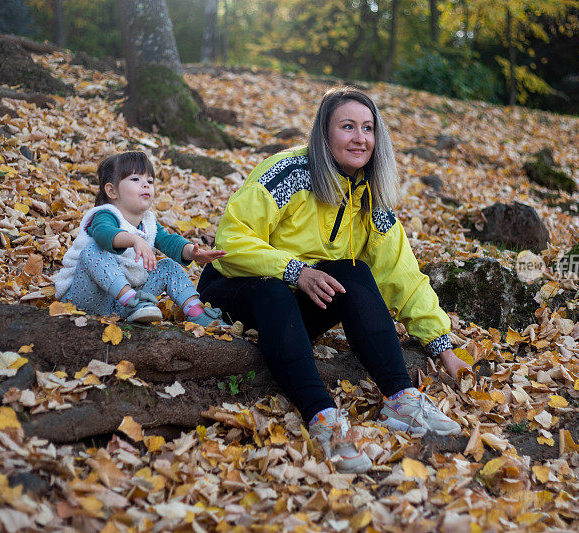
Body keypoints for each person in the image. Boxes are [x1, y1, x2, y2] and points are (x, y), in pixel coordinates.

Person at [197, 88, 473, 473]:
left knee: (354, 270)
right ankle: (323, 419)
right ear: (324, 134)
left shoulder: (369, 196)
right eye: (347, 127)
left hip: (295, 308)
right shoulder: (288, 173)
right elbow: (231, 240)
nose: (360, 138)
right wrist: (296, 270)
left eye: (367, 128)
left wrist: (444, 349)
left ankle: (401, 398)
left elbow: (402, 274)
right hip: (235, 290)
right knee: (274, 289)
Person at [55, 151, 225, 326]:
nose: (145, 185)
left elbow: (169, 241)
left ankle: (197, 313)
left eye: (149, 181)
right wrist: (135, 240)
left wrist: (193, 253)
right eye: (135, 179)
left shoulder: (148, 222)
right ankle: (133, 301)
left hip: (121, 304)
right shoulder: (104, 215)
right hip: (85, 296)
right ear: (112, 191)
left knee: (168, 266)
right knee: (94, 250)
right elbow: (104, 235)